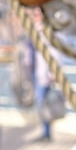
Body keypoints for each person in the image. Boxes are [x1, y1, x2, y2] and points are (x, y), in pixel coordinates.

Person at [31, 9, 55, 142]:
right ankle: (45, 131)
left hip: (46, 74)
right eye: (34, 15)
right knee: (42, 103)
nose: (35, 17)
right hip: (37, 72)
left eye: (38, 14)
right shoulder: (35, 30)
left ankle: (47, 132)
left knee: (42, 102)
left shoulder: (48, 31)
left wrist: (53, 72)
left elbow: (54, 52)